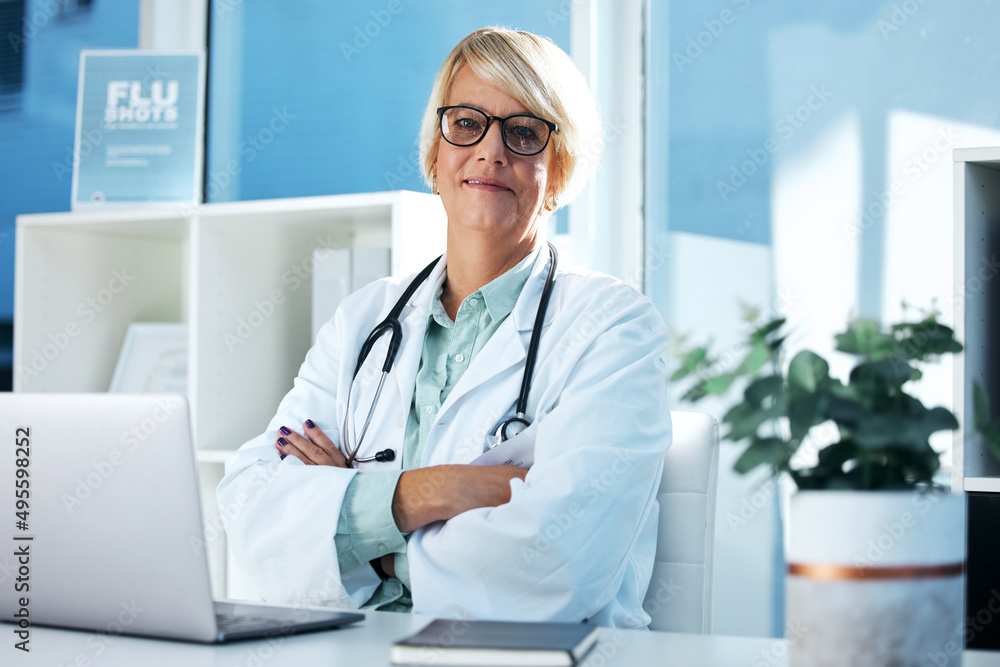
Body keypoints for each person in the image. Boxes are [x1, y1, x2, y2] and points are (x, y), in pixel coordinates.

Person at [218, 26, 672, 629]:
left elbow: (555, 565)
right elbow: (253, 510)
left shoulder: (612, 328)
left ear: (557, 171)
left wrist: (357, 524)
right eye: (466, 124)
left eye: (524, 132)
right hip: (361, 647)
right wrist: (437, 491)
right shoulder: (364, 320)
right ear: (435, 155)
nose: (491, 151)